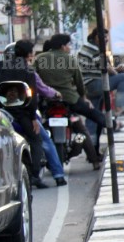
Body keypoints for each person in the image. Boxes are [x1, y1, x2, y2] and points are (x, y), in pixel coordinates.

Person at [35, 33, 108, 164]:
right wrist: (84, 97)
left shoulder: (40, 58)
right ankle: (96, 157)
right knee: (90, 119)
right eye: (68, 45)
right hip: (70, 100)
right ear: (63, 46)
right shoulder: (70, 60)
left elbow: (32, 77)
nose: (69, 47)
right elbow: (79, 82)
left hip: (46, 101)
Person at [0, 40, 48, 187]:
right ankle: (35, 175)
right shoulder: (28, 70)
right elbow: (32, 95)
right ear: (29, 54)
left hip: (1, 111)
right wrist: (33, 118)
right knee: (36, 140)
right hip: (22, 113)